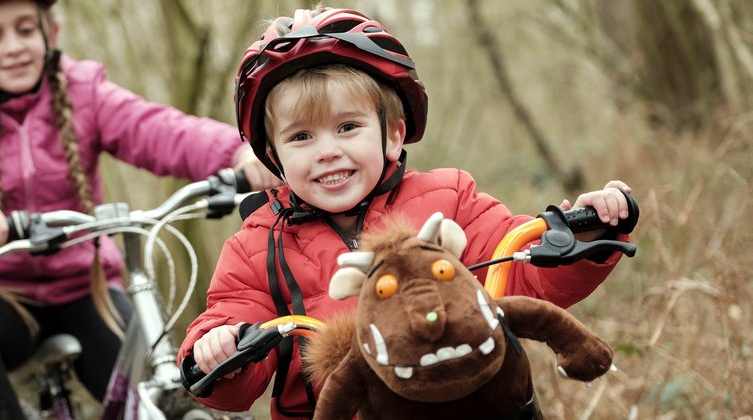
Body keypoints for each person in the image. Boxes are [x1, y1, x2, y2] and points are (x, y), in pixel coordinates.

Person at [178, 6, 636, 419]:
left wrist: (587, 233)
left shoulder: (450, 199)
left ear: (394, 135)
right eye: (301, 138)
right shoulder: (257, 244)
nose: (327, 152)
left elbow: (522, 267)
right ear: (272, 157)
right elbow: (232, 323)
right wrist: (217, 348)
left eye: (348, 127)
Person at [0, 0, 280, 418]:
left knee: (160, 391)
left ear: (49, 33)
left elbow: (156, 129)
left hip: (85, 287)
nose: (14, 47)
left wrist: (238, 154)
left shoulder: (82, 90)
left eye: (26, 30)